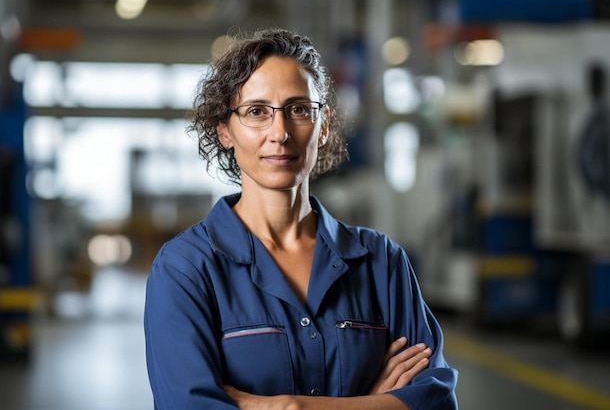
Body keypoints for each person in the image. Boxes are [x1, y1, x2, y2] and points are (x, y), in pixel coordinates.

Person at [144, 27, 458, 410]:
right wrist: (372, 404)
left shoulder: (380, 262)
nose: (280, 133)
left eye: (298, 110)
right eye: (257, 112)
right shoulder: (186, 268)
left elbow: (434, 398)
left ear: (323, 126)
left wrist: (290, 406)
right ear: (225, 130)